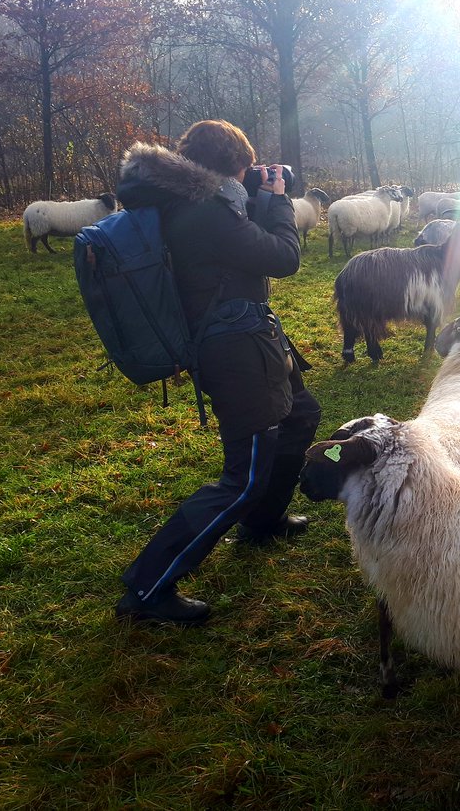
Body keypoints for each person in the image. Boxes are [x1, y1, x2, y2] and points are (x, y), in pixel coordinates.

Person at [113, 120, 321, 626]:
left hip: (248, 338)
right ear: (234, 167)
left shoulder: (193, 201)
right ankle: (147, 590)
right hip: (235, 351)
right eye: (247, 169)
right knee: (244, 476)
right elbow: (283, 257)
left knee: (301, 414)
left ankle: (263, 520)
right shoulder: (205, 212)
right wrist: (276, 201)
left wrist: (253, 194)